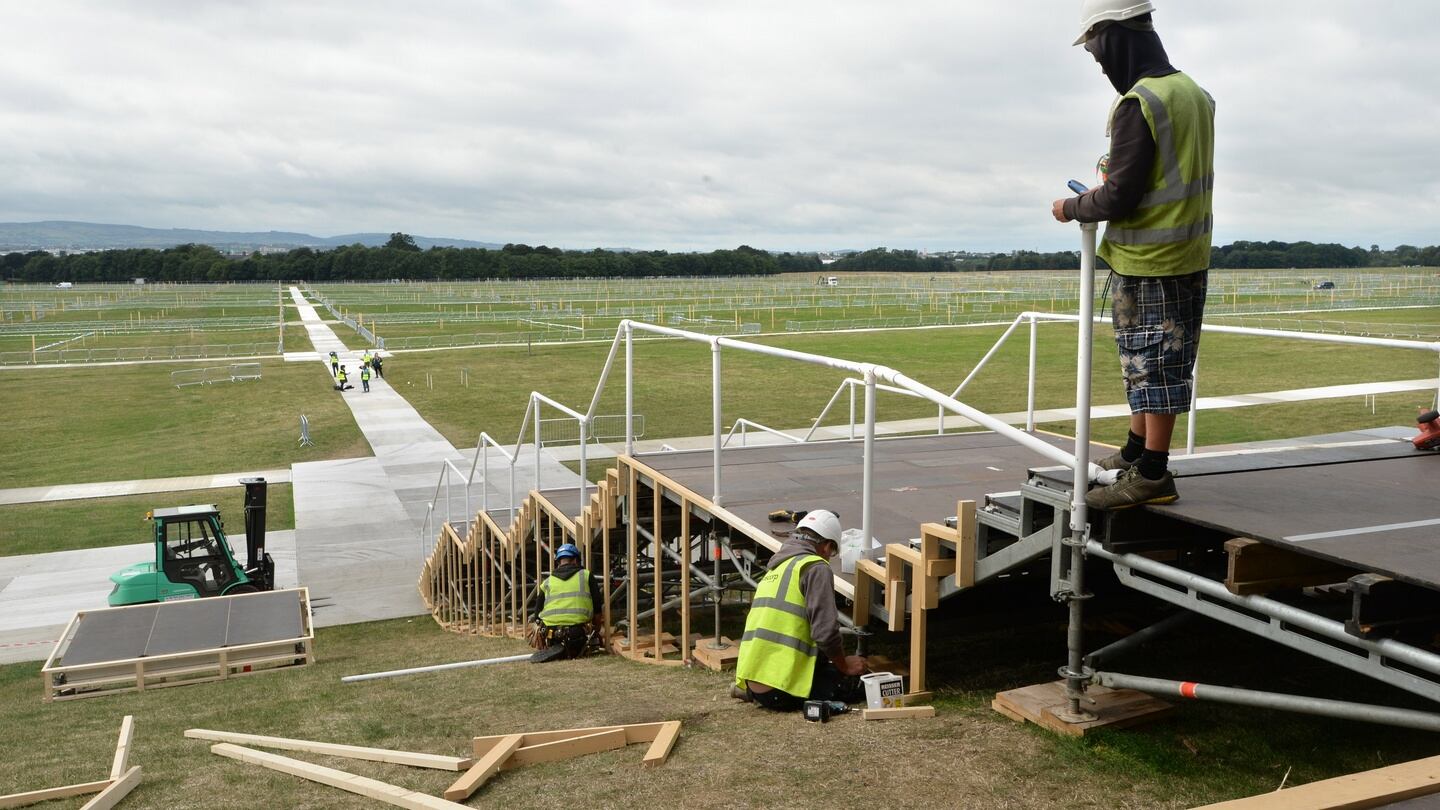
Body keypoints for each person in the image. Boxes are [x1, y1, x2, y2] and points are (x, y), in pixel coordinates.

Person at [1051, 0, 1215, 510]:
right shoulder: (1194, 94)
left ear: (1114, 37)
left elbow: (1119, 195)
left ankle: (1151, 475)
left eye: (1098, 52)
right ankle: (1136, 450)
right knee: (1149, 365)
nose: (1100, 65)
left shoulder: (1138, 103)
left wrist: (1071, 206)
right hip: (1186, 252)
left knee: (1155, 369)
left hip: (1150, 260)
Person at [732, 509, 866, 711]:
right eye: (832, 552)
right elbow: (825, 634)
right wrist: (845, 666)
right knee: (856, 685)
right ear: (827, 546)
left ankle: (751, 693)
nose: (829, 558)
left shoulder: (778, 567)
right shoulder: (816, 567)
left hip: (756, 679)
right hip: (780, 689)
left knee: (826, 669)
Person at [527, 543, 602, 662]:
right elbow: (598, 607)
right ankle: (568, 649)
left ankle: (557, 649)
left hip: (550, 634)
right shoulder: (586, 575)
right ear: (576, 560)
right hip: (576, 635)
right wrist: (597, 630)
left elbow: (537, 613)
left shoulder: (548, 581)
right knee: (577, 642)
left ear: (558, 562)